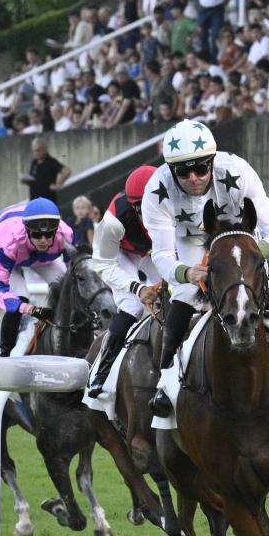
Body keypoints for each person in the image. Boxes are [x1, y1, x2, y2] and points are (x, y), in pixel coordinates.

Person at [142, 119, 269, 416]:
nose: (194, 177)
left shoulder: (238, 171)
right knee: (184, 294)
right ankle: (166, 378)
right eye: (183, 171)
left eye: (200, 168)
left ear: (212, 162)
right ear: (171, 171)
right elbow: (161, 255)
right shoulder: (156, 189)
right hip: (191, 241)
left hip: (239, 236)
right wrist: (187, 273)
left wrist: (251, 256)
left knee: (266, 291)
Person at [84, 165, 165, 397]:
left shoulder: (180, 203)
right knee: (133, 305)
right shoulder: (113, 222)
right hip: (119, 252)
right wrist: (138, 288)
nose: (151, 213)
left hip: (154, 250)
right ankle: (101, 369)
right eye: (144, 208)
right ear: (133, 206)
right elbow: (103, 263)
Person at [0, 198, 73, 357]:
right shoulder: (7, 243)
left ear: (56, 231)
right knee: (20, 297)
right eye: (37, 235)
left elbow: (77, 271)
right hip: (8, 248)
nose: (43, 240)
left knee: (67, 289)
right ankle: (4, 353)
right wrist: (31, 309)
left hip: (36, 255)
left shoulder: (65, 235)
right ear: (27, 230)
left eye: (48, 234)